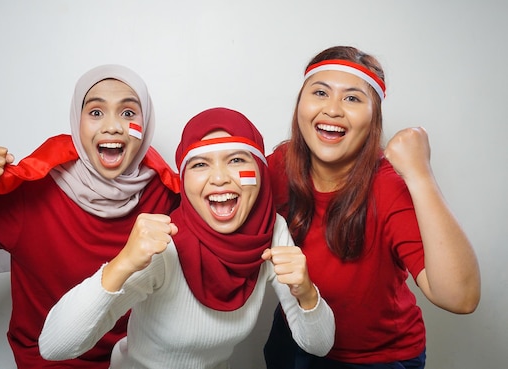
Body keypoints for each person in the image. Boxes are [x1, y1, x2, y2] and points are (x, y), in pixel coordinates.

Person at [0, 64, 180, 368]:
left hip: (132, 360)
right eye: (95, 112)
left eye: (129, 113)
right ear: (77, 123)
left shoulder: (165, 193)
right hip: (48, 360)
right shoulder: (34, 192)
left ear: (146, 124)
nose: (113, 126)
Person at [38, 107, 336, 369]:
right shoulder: (165, 245)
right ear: (184, 179)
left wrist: (307, 292)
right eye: (200, 164)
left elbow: (318, 345)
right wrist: (123, 263)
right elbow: (53, 347)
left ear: (259, 171)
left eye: (235, 159)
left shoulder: (271, 231)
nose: (219, 178)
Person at [263, 46, 481, 368]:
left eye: (352, 98)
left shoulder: (388, 186)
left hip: (374, 358)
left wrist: (421, 175)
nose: (333, 109)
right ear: (300, 103)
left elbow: (460, 297)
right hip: (295, 335)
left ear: (374, 117)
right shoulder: (281, 164)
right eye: (320, 92)